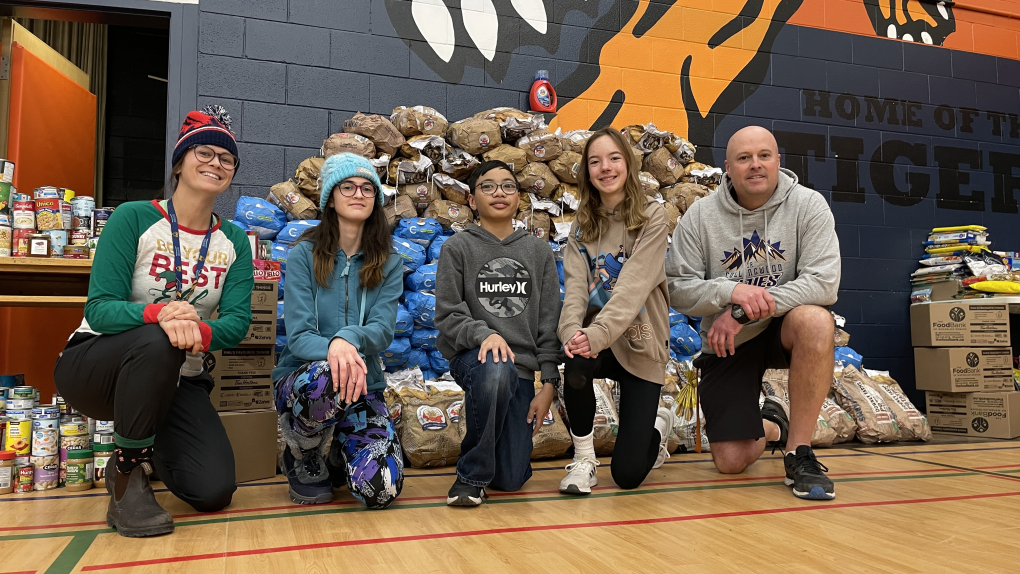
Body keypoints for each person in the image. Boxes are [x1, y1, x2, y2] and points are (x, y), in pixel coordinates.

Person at [53, 106, 252, 537]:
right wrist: (159, 313)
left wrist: (196, 328)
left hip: (180, 378)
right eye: (204, 153)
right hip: (97, 366)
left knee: (214, 491)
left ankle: (143, 444)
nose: (216, 163)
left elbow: (236, 325)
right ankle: (127, 476)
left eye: (227, 159)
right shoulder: (134, 218)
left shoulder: (234, 240)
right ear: (179, 162)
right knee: (159, 339)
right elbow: (100, 308)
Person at [666, 125, 840, 500]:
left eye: (764, 156)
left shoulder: (808, 205)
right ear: (727, 167)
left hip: (782, 327)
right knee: (730, 461)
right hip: (730, 342)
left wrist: (743, 310)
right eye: (744, 158)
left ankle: (799, 453)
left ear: (779, 161)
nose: (755, 165)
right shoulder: (700, 216)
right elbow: (678, 288)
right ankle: (773, 423)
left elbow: (824, 284)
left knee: (815, 320)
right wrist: (731, 291)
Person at [273, 153, 404, 509]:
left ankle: (339, 454)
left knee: (381, 490)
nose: (358, 194)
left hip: (364, 386)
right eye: (347, 187)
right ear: (331, 197)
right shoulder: (305, 254)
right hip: (309, 381)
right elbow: (299, 337)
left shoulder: (389, 263)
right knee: (327, 375)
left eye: (366, 188)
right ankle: (304, 452)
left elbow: (382, 331)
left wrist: (350, 339)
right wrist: (337, 348)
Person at [435, 160, 562, 507]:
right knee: (494, 369)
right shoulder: (458, 248)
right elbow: (447, 312)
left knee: (510, 479)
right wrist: (483, 334)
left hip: (520, 369)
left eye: (508, 186)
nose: (499, 193)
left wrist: (548, 384)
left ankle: (487, 430)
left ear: (519, 197)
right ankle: (470, 477)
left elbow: (549, 322)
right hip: (474, 359)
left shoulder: (538, 252)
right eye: (488, 186)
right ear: (473, 200)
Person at [557, 128, 674, 495]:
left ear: (628, 163)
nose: (605, 168)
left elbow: (631, 289)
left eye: (613, 159)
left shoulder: (653, 218)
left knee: (627, 476)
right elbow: (574, 290)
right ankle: (584, 460)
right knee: (575, 367)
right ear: (587, 172)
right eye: (595, 162)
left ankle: (658, 426)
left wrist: (592, 335)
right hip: (599, 343)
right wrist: (572, 333)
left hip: (641, 341)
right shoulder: (581, 227)